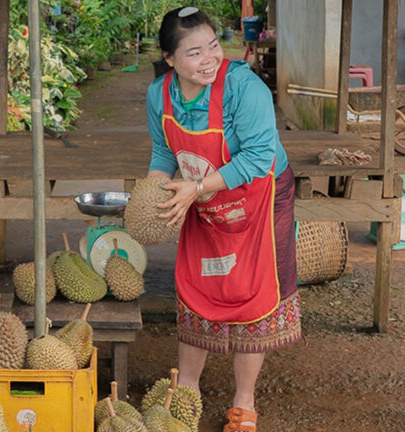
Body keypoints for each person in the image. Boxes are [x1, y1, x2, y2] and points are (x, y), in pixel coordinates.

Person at [145, 6, 301, 431]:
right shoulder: (159, 95)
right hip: (204, 200)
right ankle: (187, 387)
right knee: (199, 287)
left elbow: (258, 155)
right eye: (195, 52)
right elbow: (164, 152)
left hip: (259, 196)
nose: (210, 58)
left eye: (214, 45)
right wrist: (154, 195)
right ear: (171, 58)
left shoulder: (243, 88)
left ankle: (244, 400)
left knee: (251, 291)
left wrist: (195, 188)